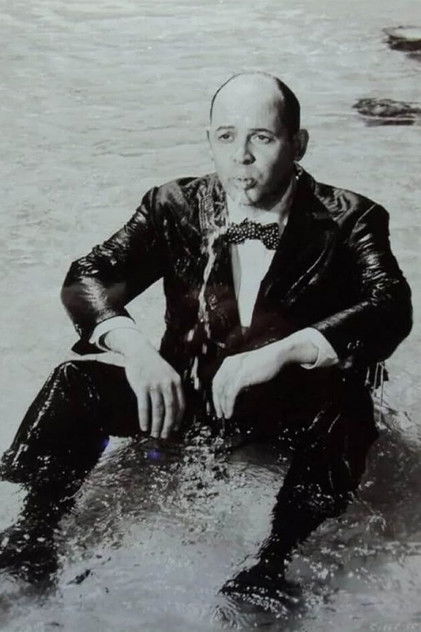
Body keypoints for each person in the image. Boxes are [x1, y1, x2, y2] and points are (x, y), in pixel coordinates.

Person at [0, 72, 412, 611]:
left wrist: (286, 350)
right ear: (209, 142)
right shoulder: (173, 204)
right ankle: (32, 535)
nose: (242, 156)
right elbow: (88, 277)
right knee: (75, 382)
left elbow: (390, 305)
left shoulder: (351, 217)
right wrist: (136, 350)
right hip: (186, 390)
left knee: (349, 405)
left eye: (262, 137)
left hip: (290, 402)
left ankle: (271, 565)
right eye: (226, 136)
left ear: (298, 144)